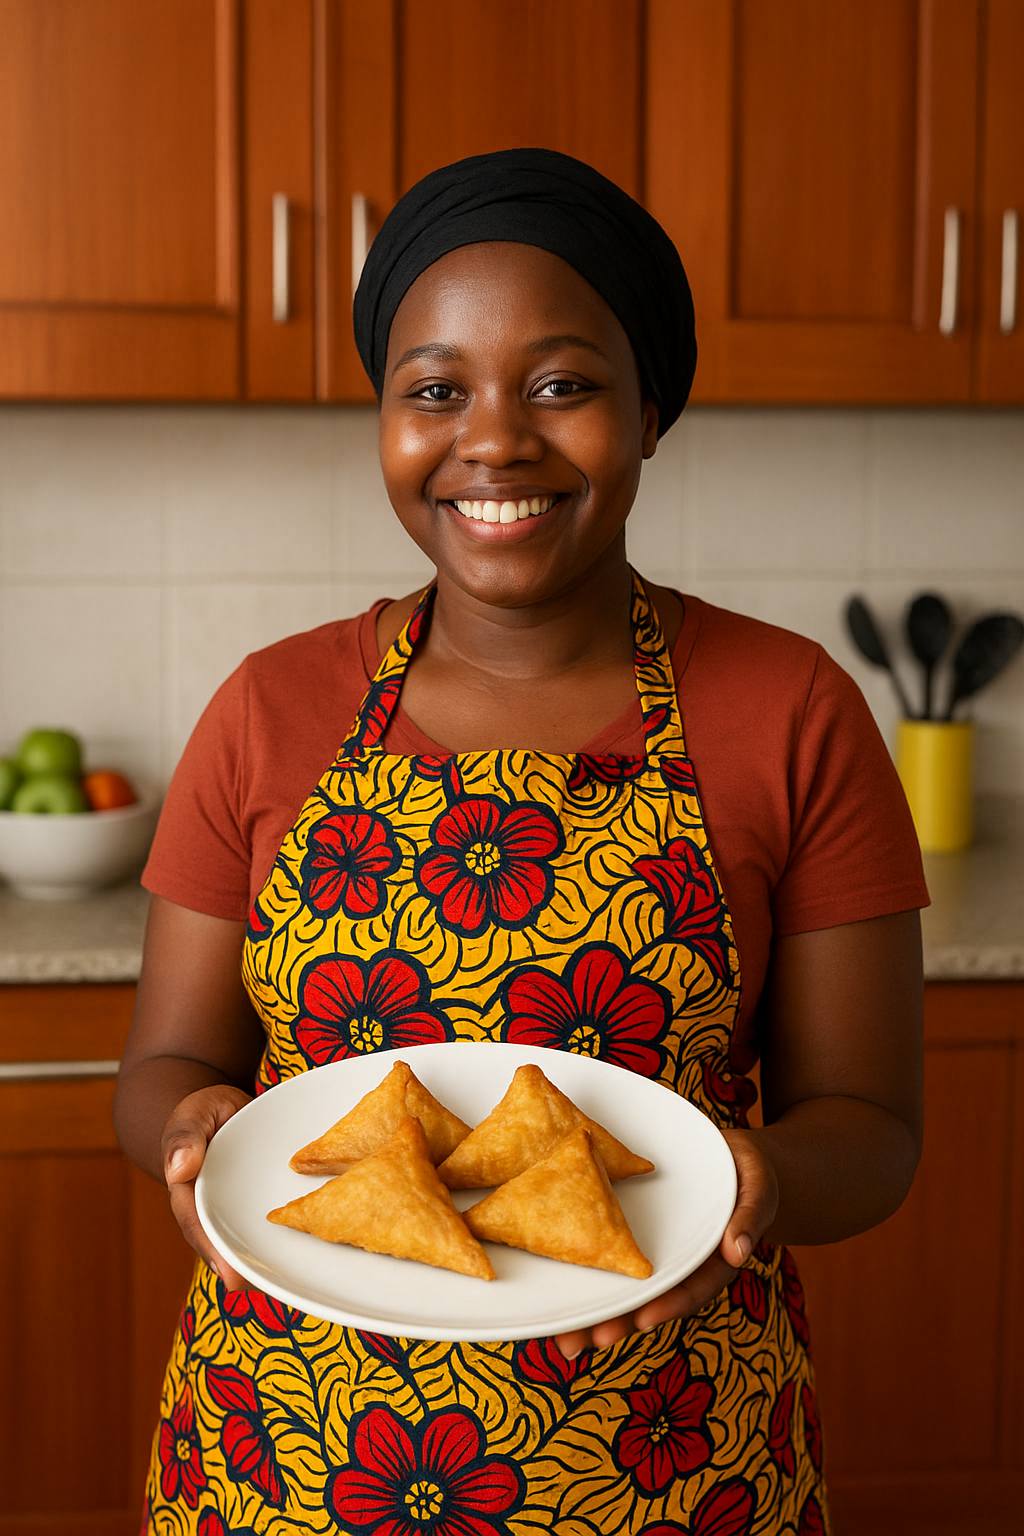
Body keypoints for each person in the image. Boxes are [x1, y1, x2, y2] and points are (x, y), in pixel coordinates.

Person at [115, 148, 927, 1536]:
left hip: (673, 1465)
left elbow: (874, 1129)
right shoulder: (268, 707)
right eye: (434, 389)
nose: (493, 440)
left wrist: (760, 1183)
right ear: (386, 415)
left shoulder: (795, 710)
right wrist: (189, 1136)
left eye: (562, 383)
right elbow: (166, 1069)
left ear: (651, 408)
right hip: (290, 1462)